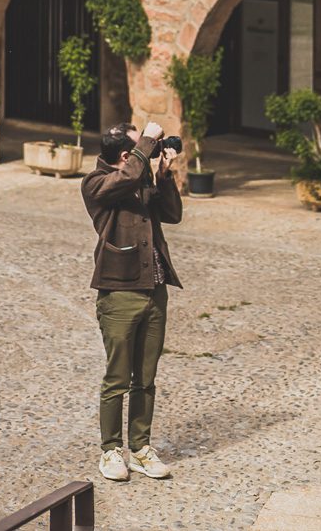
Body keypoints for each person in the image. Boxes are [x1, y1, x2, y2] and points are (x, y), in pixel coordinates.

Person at [81, 119, 182, 482]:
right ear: (126, 154)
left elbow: (172, 214)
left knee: (147, 378)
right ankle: (111, 451)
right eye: (142, 144)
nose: (150, 147)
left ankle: (140, 448)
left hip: (155, 290)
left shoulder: (140, 175)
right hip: (119, 291)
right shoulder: (97, 183)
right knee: (118, 377)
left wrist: (165, 173)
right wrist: (147, 146)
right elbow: (122, 180)